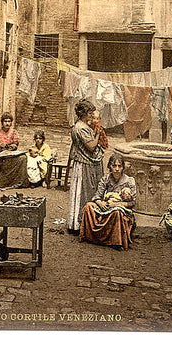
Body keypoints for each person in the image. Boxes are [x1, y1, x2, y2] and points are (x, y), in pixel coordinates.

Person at [80, 154, 137, 250]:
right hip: (106, 205)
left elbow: (132, 203)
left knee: (116, 212)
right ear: (110, 167)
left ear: (123, 168)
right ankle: (91, 237)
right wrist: (100, 203)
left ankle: (115, 241)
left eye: (119, 166)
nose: (117, 169)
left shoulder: (129, 181)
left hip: (121, 209)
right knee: (88, 207)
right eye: (114, 166)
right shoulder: (106, 179)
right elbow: (97, 195)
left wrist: (116, 204)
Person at [67, 100, 105, 234]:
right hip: (84, 164)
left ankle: (88, 222)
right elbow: (91, 146)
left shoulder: (83, 125)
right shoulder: (80, 128)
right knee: (83, 193)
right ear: (83, 114)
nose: (91, 115)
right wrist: (98, 134)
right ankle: (80, 223)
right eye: (89, 113)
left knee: (89, 192)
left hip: (88, 163)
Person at [0, 113, 28, 189]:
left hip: (11, 156)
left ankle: (18, 182)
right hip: (0, 158)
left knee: (23, 158)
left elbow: (15, 144)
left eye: (9, 121)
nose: (7, 123)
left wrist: (11, 146)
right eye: (5, 121)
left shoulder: (13, 132)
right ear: (2, 123)